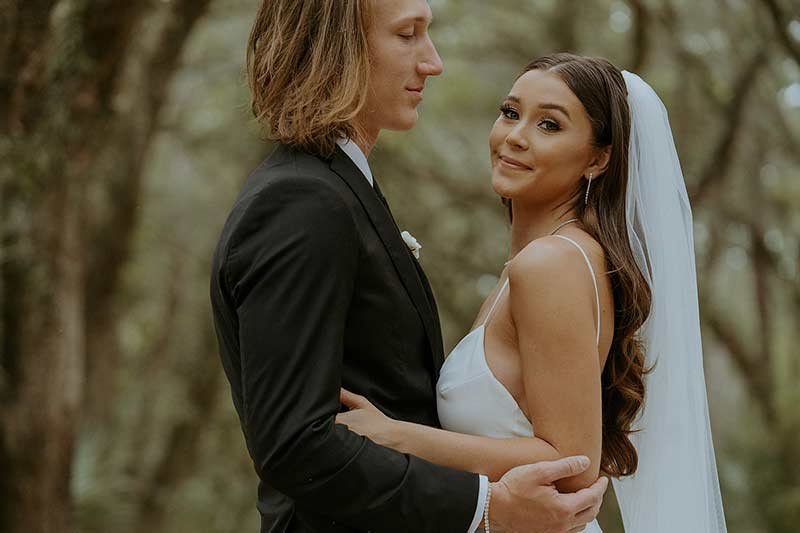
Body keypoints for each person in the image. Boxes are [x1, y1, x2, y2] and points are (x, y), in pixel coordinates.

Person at [209, 2, 607, 533]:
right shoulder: (301, 201)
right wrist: (483, 508)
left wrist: (409, 441)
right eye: (408, 35)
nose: (433, 61)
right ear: (341, 48)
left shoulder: (341, 190)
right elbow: (294, 443)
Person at [337, 54, 728, 532]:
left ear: (597, 158)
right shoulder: (547, 261)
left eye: (548, 124)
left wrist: (400, 438)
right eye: (509, 112)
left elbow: (572, 462)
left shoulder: (550, 265)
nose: (516, 136)